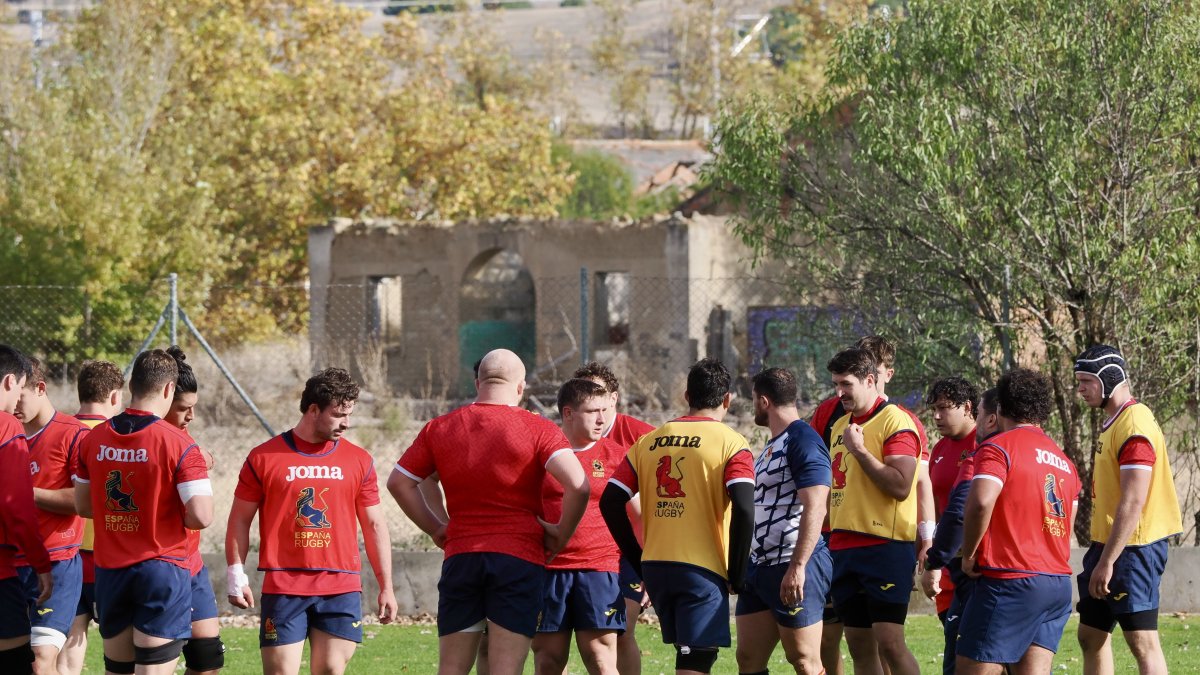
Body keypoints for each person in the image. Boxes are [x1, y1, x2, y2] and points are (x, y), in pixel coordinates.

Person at [388, 349, 588, 675]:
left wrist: (436, 529)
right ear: (521, 387)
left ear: (477, 381)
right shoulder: (538, 429)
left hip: (462, 555)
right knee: (505, 669)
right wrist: (560, 534)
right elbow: (579, 486)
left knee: (451, 668)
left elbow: (399, 483)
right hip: (519, 557)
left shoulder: (440, 428)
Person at [226, 367, 397, 675]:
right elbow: (239, 520)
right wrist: (236, 573)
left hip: (340, 585)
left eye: (349, 415)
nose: (346, 423)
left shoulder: (359, 460)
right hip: (284, 585)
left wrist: (387, 585)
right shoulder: (263, 457)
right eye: (338, 414)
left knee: (331, 669)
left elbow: (374, 526)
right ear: (313, 409)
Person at [600, 357, 755, 675]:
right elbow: (744, 505)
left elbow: (611, 500)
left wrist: (638, 558)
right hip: (701, 569)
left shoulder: (650, 441)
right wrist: (737, 573)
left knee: (689, 655)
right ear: (728, 399)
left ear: (686, 396)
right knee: (695, 661)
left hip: (656, 568)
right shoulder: (732, 443)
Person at [74, 349, 214, 675]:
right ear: (168, 390)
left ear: (132, 386)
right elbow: (202, 516)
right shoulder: (180, 445)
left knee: (117, 671)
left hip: (110, 571)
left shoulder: (92, 440)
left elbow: (83, 506)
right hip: (161, 569)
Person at [958, 368, 1080, 674]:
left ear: (1000, 409)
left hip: (1011, 579)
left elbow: (981, 501)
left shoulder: (998, 448)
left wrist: (969, 552)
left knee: (973, 668)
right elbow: (1068, 521)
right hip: (1056, 583)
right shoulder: (1065, 462)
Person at [1073, 346, 1182, 675]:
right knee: (1091, 636)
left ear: (1109, 378)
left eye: (1085, 381)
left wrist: (1107, 561)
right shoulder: (1114, 420)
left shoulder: (1134, 425)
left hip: (1133, 549)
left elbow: (1134, 501)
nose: (1079, 389)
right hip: (1107, 546)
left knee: (1142, 642)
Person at [824, 347, 921, 675]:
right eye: (836, 384)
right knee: (858, 644)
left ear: (870, 380)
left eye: (846, 384)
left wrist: (861, 451)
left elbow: (901, 485)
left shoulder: (895, 420)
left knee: (890, 642)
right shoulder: (839, 426)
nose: (839, 392)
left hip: (884, 547)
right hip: (843, 548)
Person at [735, 367, 831, 675]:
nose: (753, 406)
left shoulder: (803, 440)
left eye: (752, 400)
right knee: (748, 660)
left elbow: (816, 505)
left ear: (763, 401)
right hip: (760, 568)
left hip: (793, 565)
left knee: (804, 660)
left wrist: (798, 567)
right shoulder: (772, 445)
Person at [532, 378, 627, 675]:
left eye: (604, 410)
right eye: (591, 411)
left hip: (599, 569)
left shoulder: (617, 456)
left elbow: (636, 514)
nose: (601, 419)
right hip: (548, 570)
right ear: (568, 413)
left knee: (600, 657)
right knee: (549, 659)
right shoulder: (540, 454)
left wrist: (643, 564)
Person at [573, 361, 654, 675]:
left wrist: (650, 558)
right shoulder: (561, 440)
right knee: (558, 642)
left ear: (614, 399)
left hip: (627, 552)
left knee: (621, 631)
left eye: (600, 394)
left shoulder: (640, 437)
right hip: (580, 555)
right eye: (586, 395)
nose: (595, 404)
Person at [13, 357, 89, 674]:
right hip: (9, 563)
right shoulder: (6, 434)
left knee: (40, 658)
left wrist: (24, 492)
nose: (11, 405)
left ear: (40, 388)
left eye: (20, 397)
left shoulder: (75, 435)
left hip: (57, 563)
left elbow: (84, 501)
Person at [163, 347, 225, 675]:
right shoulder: (146, 439)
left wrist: (205, 458)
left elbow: (198, 456)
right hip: (161, 566)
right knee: (151, 661)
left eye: (193, 408)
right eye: (184, 409)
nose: (191, 416)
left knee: (207, 659)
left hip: (193, 564)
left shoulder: (182, 435)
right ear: (162, 398)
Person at [921, 382, 990, 675]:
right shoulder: (939, 448)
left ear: (967, 408)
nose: (937, 416)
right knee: (954, 637)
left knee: (965, 650)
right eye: (934, 409)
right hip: (946, 561)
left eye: (944, 408)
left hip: (976, 563)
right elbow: (935, 505)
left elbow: (969, 509)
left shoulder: (984, 444)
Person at [61, 359, 124, 675]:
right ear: (115, 396)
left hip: (67, 556)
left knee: (71, 639)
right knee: (125, 648)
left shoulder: (60, 432)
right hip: (113, 555)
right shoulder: (117, 437)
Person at [0, 346, 52, 675]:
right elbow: (15, 505)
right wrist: (41, 563)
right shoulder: (6, 427)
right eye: (20, 388)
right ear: (9, 381)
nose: (19, 398)